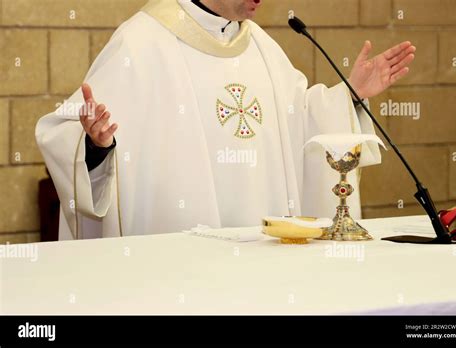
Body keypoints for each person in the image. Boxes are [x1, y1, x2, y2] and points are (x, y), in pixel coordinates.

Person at [36, 0, 416, 240]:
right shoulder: (141, 42)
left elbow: (302, 123)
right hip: (176, 270)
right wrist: (95, 145)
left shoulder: (263, 48)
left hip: (265, 262)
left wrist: (350, 95)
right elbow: (65, 132)